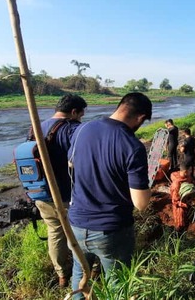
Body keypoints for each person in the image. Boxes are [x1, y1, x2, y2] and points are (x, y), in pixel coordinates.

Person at [67, 92, 152, 298]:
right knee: (117, 284)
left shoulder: (83, 129)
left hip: (76, 224)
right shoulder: (133, 146)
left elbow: (71, 164)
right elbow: (141, 203)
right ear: (140, 118)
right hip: (111, 231)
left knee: (79, 276)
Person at [34, 93, 87, 288]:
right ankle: (82, 271)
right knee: (78, 232)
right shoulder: (72, 129)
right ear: (74, 112)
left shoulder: (36, 127)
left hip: (40, 193)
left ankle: (62, 274)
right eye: (81, 115)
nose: (81, 119)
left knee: (55, 232)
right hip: (67, 194)